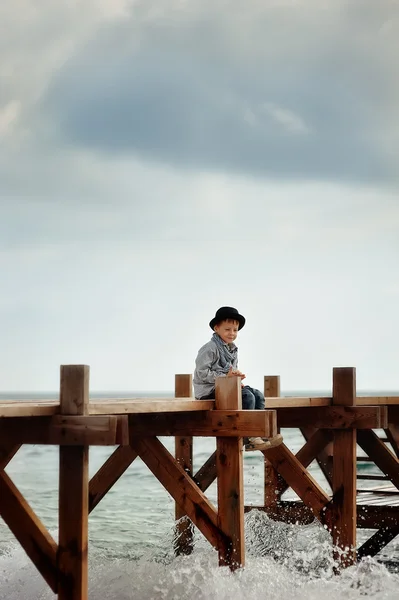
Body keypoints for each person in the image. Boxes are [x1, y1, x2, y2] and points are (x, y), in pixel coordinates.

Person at [193, 306, 283, 452]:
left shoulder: (232, 349)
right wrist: (225, 378)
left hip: (225, 388)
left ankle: (260, 434)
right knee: (247, 397)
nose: (232, 333)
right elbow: (201, 373)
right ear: (216, 328)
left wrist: (237, 379)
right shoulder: (209, 348)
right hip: (207, 391)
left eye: (235, 330)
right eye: (227, 329)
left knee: (257, 395)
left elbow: (231, 372)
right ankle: (249, 436)